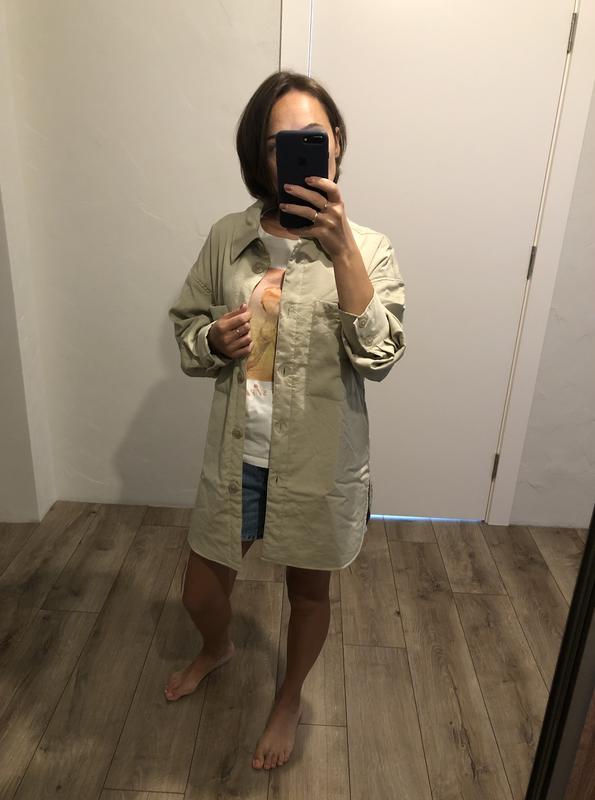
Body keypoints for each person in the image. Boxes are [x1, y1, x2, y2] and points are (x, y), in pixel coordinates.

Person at [166, 70, 406, 771]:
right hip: (238, 454)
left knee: (308, 592)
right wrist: (213, 339)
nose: (296, 154)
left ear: (336, 143)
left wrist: (342, 251)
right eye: (278, 144)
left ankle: (288, 697)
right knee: (201, 589)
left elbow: (381, 355)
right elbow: (186, 326)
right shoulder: (228, 237)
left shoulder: (370, 248)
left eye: (312, 137)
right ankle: (218, 646)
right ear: (260, 155)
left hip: (317, 462)